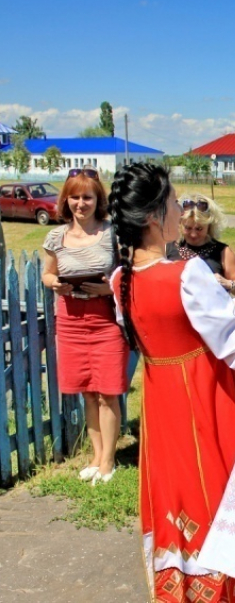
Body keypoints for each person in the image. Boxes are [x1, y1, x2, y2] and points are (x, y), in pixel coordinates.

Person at [108, 163, 235, 602]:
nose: (183, 211)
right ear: (156, 216)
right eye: (176, 203)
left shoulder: (120, 279)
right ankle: (234, 589)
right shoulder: (187, 273)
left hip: (162, 409)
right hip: (207, 404)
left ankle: (187, 585)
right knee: (221, 495)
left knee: (178, 497)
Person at [41, 168, 128, 485]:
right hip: (71, 320)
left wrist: (109, 290)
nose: (81, 203)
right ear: (66, 200)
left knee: (108, 392)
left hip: (105, 321)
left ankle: (108, 461)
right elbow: (48, 273)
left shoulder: (112, 234)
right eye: (75, 197)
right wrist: (55, 284)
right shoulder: (56, 237)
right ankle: (95, 455)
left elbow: (129, 276)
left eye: (87, 197)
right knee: (88, 394)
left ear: (98, 199)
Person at [176, 192, 235, 295]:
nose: (193, 234)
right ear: (180, 224)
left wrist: (228, 283)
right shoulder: (168, 248)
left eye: (199, 229)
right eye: (188, 228)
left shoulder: (222, 251)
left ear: (209, 226)